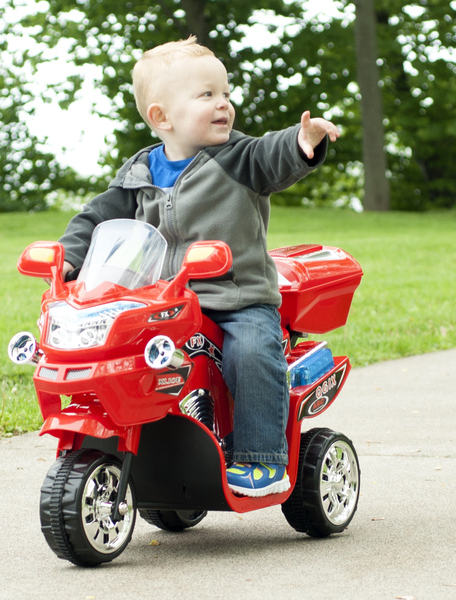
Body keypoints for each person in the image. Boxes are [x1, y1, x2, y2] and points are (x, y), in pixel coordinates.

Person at [58, 36, 339, 497]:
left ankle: (262, 459)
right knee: (119, 354)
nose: (223, 104)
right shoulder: (140, 172)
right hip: (163, 303)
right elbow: (96, 217)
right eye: (206, 95)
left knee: (250, 352)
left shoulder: (239, 158)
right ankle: (150, 445)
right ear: (161, 117)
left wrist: (301, 142)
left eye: (225, 93)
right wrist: (69, 255)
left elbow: (273, 155)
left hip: (235, 298)